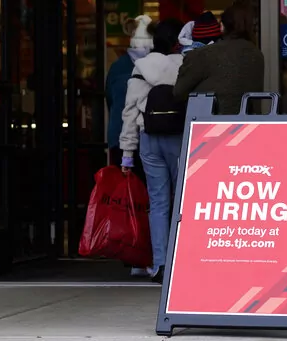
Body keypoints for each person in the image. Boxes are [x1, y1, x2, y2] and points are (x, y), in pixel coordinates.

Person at [119, 18, 185, 284]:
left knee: (158, 203)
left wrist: (126, 152)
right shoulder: (184, 66)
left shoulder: (140, 67)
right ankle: (184, 262)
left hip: (150, 139)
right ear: (176, 42)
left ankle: (160, 265)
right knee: (184, 201)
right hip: (180, 138)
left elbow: (129, 112)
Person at [173, 3, 264, 114]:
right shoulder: (257, 55)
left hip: (208, 125)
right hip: (248, 125)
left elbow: (178, 92)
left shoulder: (202, 54)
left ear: (222, 26)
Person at [106, 15, 154, 183]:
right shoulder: (154, 66)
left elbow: (111, 100)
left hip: (120, 137)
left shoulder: (118, 67)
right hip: (142, 138)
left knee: (123, 195)